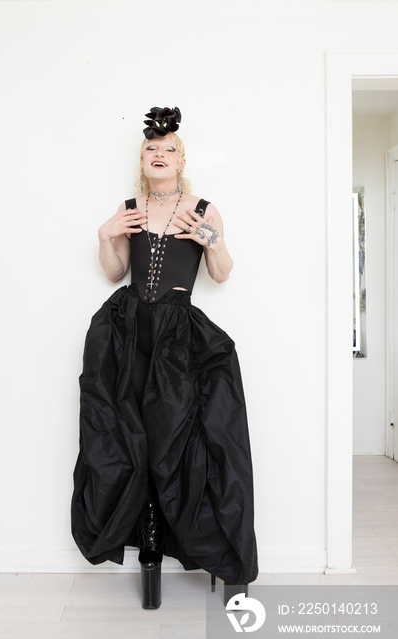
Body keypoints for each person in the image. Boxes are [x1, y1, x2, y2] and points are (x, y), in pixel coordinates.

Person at [71, 107, 258, 609]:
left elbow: (221, 273)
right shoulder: (129, 206)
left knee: (188, 439)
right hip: (129, 332)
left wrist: (209, 239)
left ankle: (213, 549)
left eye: (168, 149)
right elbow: (114, 274)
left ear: (181, 160)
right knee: (130, 437)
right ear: (142, 159)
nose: (159, 155)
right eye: (151, 149)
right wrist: (107, 234)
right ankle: (148, 543)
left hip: (178, 334)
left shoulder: (202, 208)